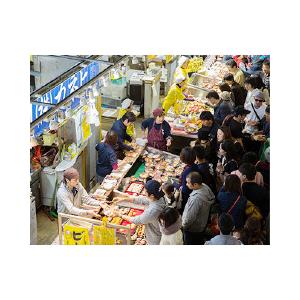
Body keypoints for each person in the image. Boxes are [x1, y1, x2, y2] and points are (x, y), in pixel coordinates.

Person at [114, 180, 166, 245]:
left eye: (145, 191)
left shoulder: (153, 211)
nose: (144, 192)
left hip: (155, 237)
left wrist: (119, 215)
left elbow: (136, 220)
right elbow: (142, 199)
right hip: (158, 229)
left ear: (152, 195)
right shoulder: (159, 197)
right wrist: (123, 199)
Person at [182, 172, 215, 245]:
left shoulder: (195, 199)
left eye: (188, 183)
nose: (186, 184)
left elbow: (189, 219)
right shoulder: (204, 186)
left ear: (195, 184)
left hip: (193, 229)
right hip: (202, 224)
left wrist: (183, 226)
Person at [178, 147, 200, 213]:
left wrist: (175, 185)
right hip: (192, 190)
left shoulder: (187, 172)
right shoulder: (195, 165)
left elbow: (184, 189)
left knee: (184, 209)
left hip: (187, 195)